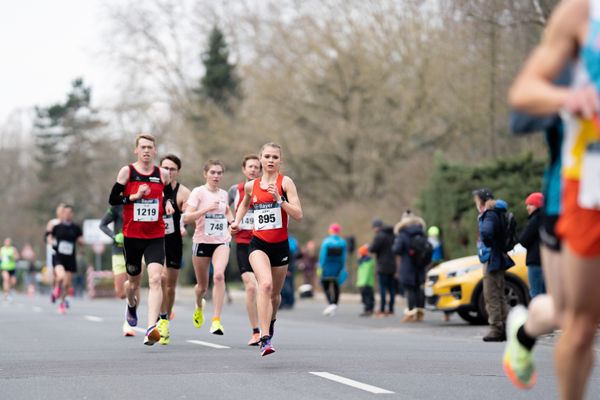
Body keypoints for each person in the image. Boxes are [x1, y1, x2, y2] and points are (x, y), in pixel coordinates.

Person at [508, 2, 600, 397]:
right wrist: (569, 98)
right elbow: (524, 92)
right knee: (576, 324)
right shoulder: (582, 13)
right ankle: (525, 330)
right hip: (581, 189)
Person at [230, 142, 303, 356]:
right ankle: (264, 337)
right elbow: (244, 203)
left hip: (280, 245)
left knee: (275, 296)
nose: (270, 160)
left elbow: (298, 214)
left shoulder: (285, 182)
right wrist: (237, 221)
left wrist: (279, 200)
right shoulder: (252, 186)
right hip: (258, 244)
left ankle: (270, 323)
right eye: (267, 156)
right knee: (265, 285)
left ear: (280, 161)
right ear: (261, 159)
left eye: (275, 157)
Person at [108, 133, 173, 345]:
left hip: (155, 235)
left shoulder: (162, 174)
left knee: (155, 279)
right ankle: (130, 304)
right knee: (132, 283)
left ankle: (151, 327)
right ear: (136, 150)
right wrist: (134, 197)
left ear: (155, 151)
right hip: (132, 236)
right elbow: (113, 199)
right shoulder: (127, 172)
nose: (146, 150)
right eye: (142, 147)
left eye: (150, 147)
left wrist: (169, 204)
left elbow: (168, 196)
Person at [183, 160, 233, 336]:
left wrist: (233, 223)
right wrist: (204, 210)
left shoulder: (224, 194)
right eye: (213, 172)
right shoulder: (198, 192)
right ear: (205, 174)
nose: (216, 176)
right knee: (202, 287)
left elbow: (226, 211)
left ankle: (216, 321)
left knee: (219, 275)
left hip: (221, 241)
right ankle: (199, 305)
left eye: (219, 173)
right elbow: (187, 217)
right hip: (202, 241)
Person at [228, 154, 261, 345]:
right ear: (244, 169)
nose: (253, 170)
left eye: (257, 167)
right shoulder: (235, 190)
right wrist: (232, 223)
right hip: (243, 244)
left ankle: (267, 326)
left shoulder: (265, 188)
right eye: (250, 166)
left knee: (266, 287)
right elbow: (223, 207)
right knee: (251, 286)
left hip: (262, 242)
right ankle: (255, 331)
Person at [157, 154, 191, 345]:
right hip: (154, 241)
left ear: (178, 171)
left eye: (172, 169)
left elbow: (187, 213)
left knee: (170, 286)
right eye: (165, 168)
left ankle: (165, 321)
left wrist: (184, 223)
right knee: (159, 278)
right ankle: (160, 317)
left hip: (174, 242)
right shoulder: (153, 188)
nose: (168, 172)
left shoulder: (183, 192)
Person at [473, 189, 515, 341]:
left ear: (482, 200)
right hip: (499, 257)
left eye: (476, 200)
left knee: (491, 295)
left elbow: (486, 232)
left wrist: (489, 246)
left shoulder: (489, 214)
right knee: (499, 295)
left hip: (492, 259)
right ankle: (509, 327)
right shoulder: (498, 212)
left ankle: (496, 329)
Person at [99, 205, 137, 336]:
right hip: (119, 251)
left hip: (137, 249)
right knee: (121, 292)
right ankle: (132, 302)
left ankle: (129, 321)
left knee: (134, 284)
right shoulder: (116, 206)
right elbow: (102, 225)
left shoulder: (142, 202)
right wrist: (114, 236)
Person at [393, 212, 428, 322]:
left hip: (408, 265)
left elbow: (396, 249)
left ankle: (410, 313)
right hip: (420, 265)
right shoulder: (421, 232)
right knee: (418, 289)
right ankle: (420, 312)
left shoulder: (403, 234)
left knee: (410, 290)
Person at [51, 205, 83, 314]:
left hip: (70, 258)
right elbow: (50, 237)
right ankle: (56, 288)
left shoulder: (76, 228)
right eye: (66, 212)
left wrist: (81, 242)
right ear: (63, 214)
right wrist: (51, 242)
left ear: (72, 214)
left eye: (70, 212)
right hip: (59, 257)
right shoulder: (57, 227)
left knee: (67, 285)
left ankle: (61, 304)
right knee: (61, 276)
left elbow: (80, 239)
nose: (68, 214)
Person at [519, 192, 545, 298]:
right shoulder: (547, 218)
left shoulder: (535, 219)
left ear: (537, 205)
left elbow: (523, 240)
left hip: (535, 261)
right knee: (546, 294)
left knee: (536, 294)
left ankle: (539, 315)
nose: (527, 207)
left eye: (530, 204)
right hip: (545, 261)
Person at [368, 218, 396, 316]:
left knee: (383, 288)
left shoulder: (380, 236)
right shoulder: (392, 235)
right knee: (391, 288)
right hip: (392, 265)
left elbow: (372, 249)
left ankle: (382, 309)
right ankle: (391, 309)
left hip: (383, 265)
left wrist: (368, 247)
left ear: (376, 227)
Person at [319, 223, 347, 316]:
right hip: (337, 267)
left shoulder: (326, 242)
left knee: (325, 285)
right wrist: (342, 267)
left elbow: (323, 256)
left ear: (330, 231)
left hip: (327, 267)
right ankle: (335, 304)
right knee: (336, 286)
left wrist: (320, 266)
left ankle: (330, 303)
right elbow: (343, 257)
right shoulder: (342, 242)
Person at [45, 203, 65, 298]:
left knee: (64, 275)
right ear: (57, 212)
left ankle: (61, 294)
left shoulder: (68, 223)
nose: (62, 213)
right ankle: (55, 289)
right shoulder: (52, 223)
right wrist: (51, 242)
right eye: (61, 211)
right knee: (54, 273)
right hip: (54, 251)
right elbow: (48, 236)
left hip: (65, 253)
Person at [356, 244, 375, 317]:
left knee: (368, 298)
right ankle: (367, 309)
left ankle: (368, 309)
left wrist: (364, 282)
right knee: (365, 298)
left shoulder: (367, 262)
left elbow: (366, 274)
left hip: (366, 283)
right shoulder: (362, 262)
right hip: (362, 283)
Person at [1, 238, 20, 302]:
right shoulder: (2, 249)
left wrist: (12, 257)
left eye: (8, 241)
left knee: (13, 281)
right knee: (6, 279)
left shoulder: (13, 249)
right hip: (4, 267)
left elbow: (17, 257)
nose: (7, 243)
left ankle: (9, 291)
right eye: (6, 241)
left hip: (12, 268)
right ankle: (6, 294)